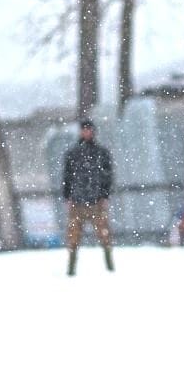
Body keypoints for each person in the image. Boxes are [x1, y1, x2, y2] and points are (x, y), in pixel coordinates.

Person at [61, 118, 114, 275]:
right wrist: (68, 197)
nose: (87, 132)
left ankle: (110, 266)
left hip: (96, 201)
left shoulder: (101, 153)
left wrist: (105, 196)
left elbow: (107, 176)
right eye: (84, 130)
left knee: (105, 237)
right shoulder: (72, 154)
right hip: (77, 201)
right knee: (73, 239)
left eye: (89, 129)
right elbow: (67, 177)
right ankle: (71, 270)